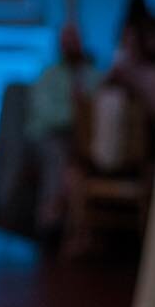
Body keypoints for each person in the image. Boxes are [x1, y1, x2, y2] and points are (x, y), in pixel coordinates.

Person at [25, 23, 101, 242]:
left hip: (84, 139)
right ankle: (51, 221)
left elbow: (98, 105)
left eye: (75, 41)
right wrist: (76, 111)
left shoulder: (92, 75)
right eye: (67, 42)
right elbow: (47, 116)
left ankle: (83, 230)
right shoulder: (48, 77)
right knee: (58, 156)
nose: (71, 47)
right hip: (51, 137)